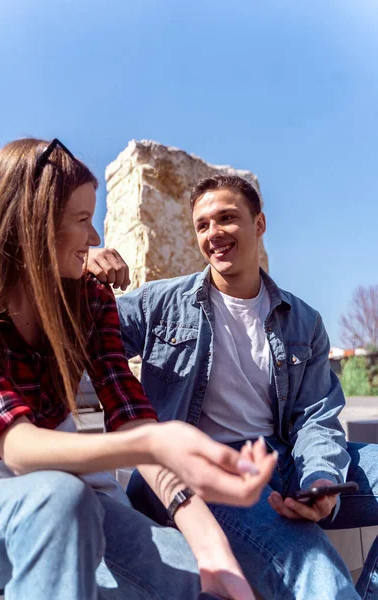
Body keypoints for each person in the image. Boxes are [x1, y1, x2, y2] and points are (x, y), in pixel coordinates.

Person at [0, 142, 279, 600]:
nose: (95, 238)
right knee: (58, 499)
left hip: (80, 499)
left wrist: (210, 546)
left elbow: (130, 411)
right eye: (82, 220)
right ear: (34, 223)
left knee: (206, 586)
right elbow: (15, 446)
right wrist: (153, 441)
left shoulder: (90, 303)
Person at [88, 174, 378, 600]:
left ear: (259, 223)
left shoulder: (303, 321)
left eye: (227, 218)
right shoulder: (160, 304)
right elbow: (78, 329)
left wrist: (320, 479)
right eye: (203, 225)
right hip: (210, 472)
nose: (214, 234)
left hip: (285, 460)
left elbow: (315, 417)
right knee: (313, 567)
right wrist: (78, 266)